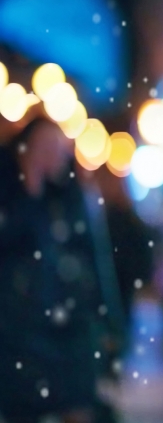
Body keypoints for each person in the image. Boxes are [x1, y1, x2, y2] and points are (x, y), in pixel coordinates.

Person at [0, 117, 106, 423]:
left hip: (71, 326)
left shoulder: (74, 196)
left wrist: (107, 321)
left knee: (79, 406)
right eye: (44, 147)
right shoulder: (11, 191)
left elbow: (94, 259)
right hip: (20, 332)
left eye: (58, 147)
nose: (53, 155)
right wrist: (30, 189)